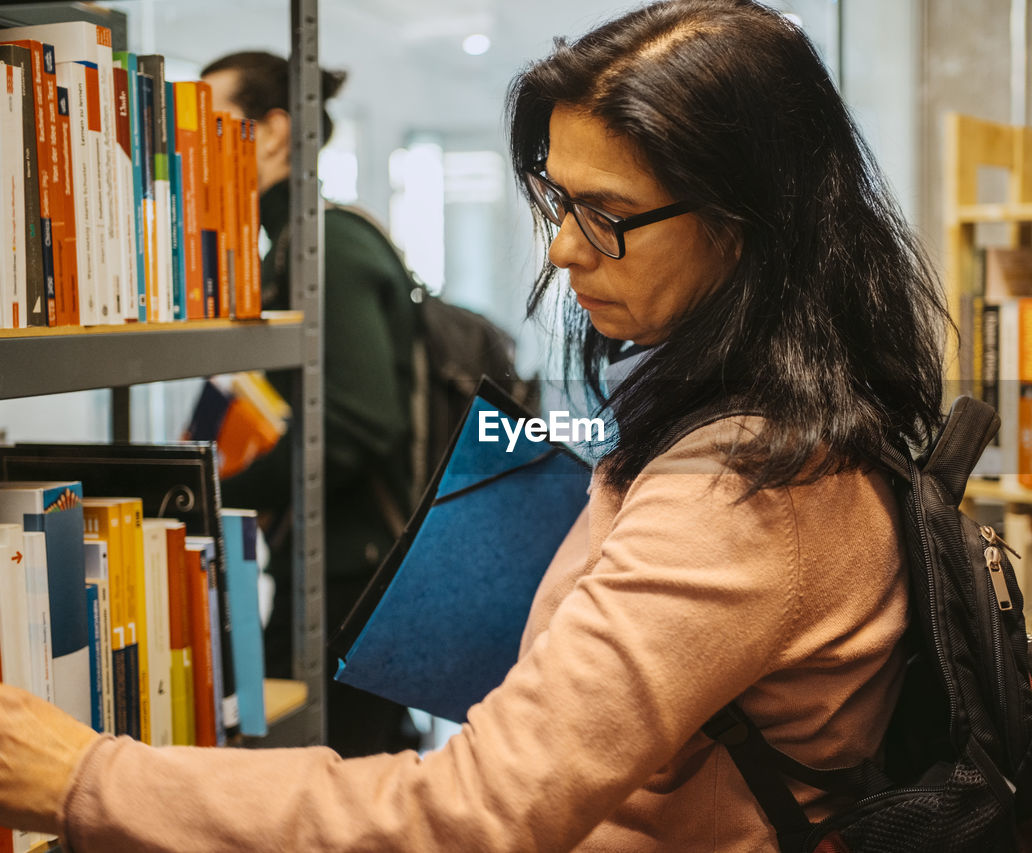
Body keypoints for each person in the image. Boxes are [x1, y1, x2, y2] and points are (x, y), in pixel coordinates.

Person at [0, 1, 949, 849]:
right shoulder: (797, 416)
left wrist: (88, 778)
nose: (564, 248)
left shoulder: (750, 490)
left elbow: (469, 814)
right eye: (558, 200)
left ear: (746, 225)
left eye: (608, 213)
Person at [201, 52, 422, 757]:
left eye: (206, 125)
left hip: (353, 585)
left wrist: (214, 493)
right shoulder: (281, 250)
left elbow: (357, 426)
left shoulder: (326, 247)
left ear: (271, 133)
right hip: (320, 570)